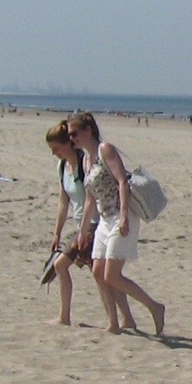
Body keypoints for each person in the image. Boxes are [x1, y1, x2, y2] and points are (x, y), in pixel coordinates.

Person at [68, 113, 167, 337]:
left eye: (74, 133)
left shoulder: (105, 150)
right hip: (104, 220)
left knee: (112, 275)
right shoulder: (86, 159)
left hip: (121, 216)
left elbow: (122, 181)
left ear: (88, 130)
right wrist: (82, 231)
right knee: (97, 272)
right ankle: (114, 322)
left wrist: (123, 216)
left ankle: (155, 307)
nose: (72, 139)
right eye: (69, 135)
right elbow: (90, 198)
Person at [44, 121, 133, 331]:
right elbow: (63, 201)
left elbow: (94, 196)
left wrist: (118, 218)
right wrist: (57, 233)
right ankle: (125, 319)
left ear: (68, 144)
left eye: (56, 148)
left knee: (66, 266)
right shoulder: (62, 167)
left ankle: (67, 317)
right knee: (104, 276)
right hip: (82, 226)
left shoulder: (86, 164)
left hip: (95, 225)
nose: (54, 153)